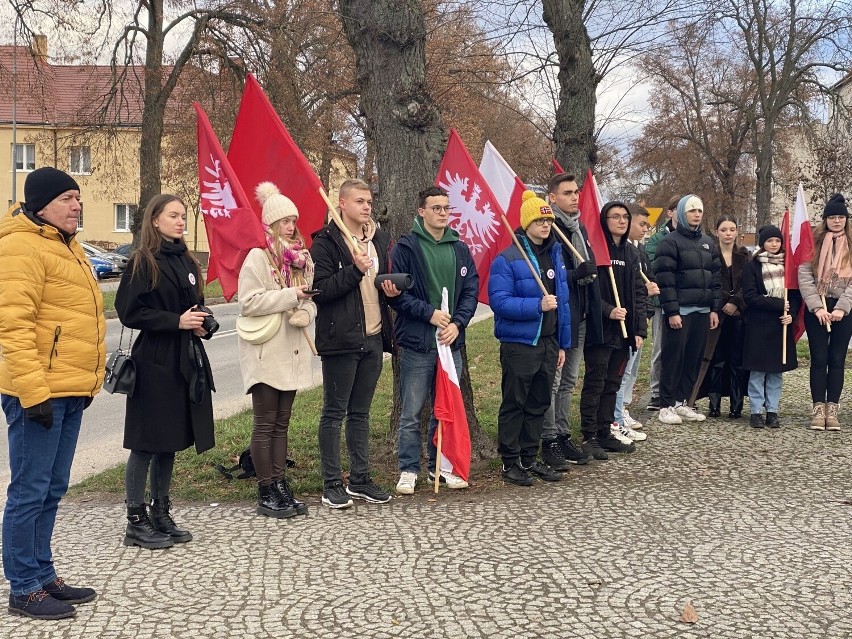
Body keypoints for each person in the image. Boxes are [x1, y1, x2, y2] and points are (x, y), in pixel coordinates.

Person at [0, 168, 106, 619]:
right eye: (67, 197)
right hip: (37, 392)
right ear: (41, 204)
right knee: (29, 490)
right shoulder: (21, 246)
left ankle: (43, 574)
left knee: (53, 487)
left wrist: (87, 381)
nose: (76, 205)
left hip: (69, 388)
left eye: (78, 198)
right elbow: (13, 326)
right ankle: (23, 586)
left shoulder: (67, 246)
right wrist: (32, 392)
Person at [116, 194, 215, 549]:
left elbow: (196, 305)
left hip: (184, 358)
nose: (180, 222)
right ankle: (135, 519)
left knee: (170, 442)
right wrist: (176, 321)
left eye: (183, 216)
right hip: (154, 359)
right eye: (173, 215)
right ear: (154, 220)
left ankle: (161, 512)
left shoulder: (186, 259)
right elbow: (129, 311)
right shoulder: (143, 261)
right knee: (146, 442)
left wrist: (204, 323)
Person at [310, 178, 400, 508]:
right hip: (341, 338)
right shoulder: (325, 242)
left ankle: (360, 479)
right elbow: (319, 289)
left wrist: (392, 289)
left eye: (369, 203)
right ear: (342, 204)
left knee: (360, 413)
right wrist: (353, 270)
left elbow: (380, 283)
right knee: (334, 413)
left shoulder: (379, 240)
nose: (366, 207)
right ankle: (332, 482)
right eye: (360, 201)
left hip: (374, 336)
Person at [389, 186, 478, 495]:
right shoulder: (406, 247)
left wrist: (458, 322)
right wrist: (428, 313)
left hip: (450, 343)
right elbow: (397, 295)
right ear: (421, 211)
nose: (442, 213)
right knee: (412, 411)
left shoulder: (460, 248)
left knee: (446, 409)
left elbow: (470, 291)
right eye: (436, 208)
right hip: (418, 343)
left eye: (446, 208)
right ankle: (408, 469)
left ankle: (439, 467)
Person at [238, 182, 317, 517]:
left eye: (293, 220)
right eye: (284, 220)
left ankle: (281, 485)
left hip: (293, 349)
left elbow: (313, 297)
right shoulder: (258, 257)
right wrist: (290, 297)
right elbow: (248, 302)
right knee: (265, 422)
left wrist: (306, 312)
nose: (291, 226)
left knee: (282, 422)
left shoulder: (301, 259)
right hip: (266, 350)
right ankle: (266, 489)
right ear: (270, 224)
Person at [489, 191, 571, 486]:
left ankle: (529, 457)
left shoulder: (555, 254)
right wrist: (536, 305)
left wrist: (562, 342)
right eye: (538, 220)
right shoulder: (508, 258)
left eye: (548, 219)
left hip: (548, 343)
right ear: (526, 223)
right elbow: (499, 301)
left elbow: (563, 302)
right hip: (520, 344)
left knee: (538, 403)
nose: (545, 225)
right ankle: (510, 462)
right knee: (516, 403)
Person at [540, 173, 601, 470]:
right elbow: (547, 275)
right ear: (552, 198)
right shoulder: (548, 230)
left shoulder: (579, 229)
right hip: (560, 318)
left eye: (576, 192)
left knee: (569, 381)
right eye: (567, 193)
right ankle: (548, 437)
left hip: (581, 315)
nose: (574, 197)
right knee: (553, 381)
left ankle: (563, 433)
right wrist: (577, 274)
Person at [578, 202, 647, 459]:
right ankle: (589, 434)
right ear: (604, 220)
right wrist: (608, 310)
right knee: (596, 382)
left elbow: (639, 292)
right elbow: (590, 291)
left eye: (624, 217)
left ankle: (605, 430)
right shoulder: (596, 249)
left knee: (613, 383)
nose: (621, 221)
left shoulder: (631, 253)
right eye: (615, 216)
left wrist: (639, 328)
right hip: (601, 328)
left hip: (625, 331)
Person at [654, 194, 722, 425]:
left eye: (699, 211)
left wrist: (714, 308)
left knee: (693, 359)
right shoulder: (669, 242)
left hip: (702, 312)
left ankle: (681, 402)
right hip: (679, 311)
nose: (696, 214)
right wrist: (672, 311)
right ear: (682, 213)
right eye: (691, 210)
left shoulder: (708, 242)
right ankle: (665, 405)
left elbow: (715, 279)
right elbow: (666, 279)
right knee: (673, 358)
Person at [798, 193, 852, 431]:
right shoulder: (815, 243)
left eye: (841, 217)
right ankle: (818, 408)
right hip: (818, 308)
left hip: (843, 310)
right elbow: (805, 275)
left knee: (837, 360)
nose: (837, 221)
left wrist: (841, 308)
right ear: (826, 219)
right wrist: (817, 307)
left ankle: (833, 408)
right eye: (833, 217)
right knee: (819, 360)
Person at [741, 225, 798, 428]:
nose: (774, 244)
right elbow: (750, 296)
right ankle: (756, 411)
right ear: (762, 243)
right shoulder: (752, 266)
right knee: (758, 371)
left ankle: (772, 410)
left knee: (775, 372)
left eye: (777, 241)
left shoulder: (788, 266)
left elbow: (794, 296)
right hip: (759, 325)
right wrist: (777, 304)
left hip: (780, 327)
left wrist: (790, 315)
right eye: (770, 241)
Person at [612, 203, 657, 440]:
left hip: (639, 319)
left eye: (647, 225)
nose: (644, 229)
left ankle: (623, 409)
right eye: (641, 224)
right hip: (624, 322)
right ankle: (617, 414)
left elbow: (644, 286)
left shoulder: (640, 251)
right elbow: (633, 289)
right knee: (623, 371)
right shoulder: (623, 252)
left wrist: (646, 313)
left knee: (631, 371)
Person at [701, 215, 749, 418]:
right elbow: (708, 282)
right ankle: (714, 405)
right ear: (716, 231)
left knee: (737, 360)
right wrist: (722, 303)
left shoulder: (746, 256)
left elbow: (749, 285)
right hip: (717, 313)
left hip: (739, 314)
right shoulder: (710, 255)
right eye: (723, 230)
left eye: (731, 229)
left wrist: (736, 302)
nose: (728, 233)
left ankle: (736, 405)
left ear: (737, 231)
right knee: (716, 358)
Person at [644, 196, 680, 411]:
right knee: (659, 348)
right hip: (661, 302)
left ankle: (678, 392)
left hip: (684, 301)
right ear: (670, 212)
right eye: (678, 209)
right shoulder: (656, 240)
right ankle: (656, 393)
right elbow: (654, 267)